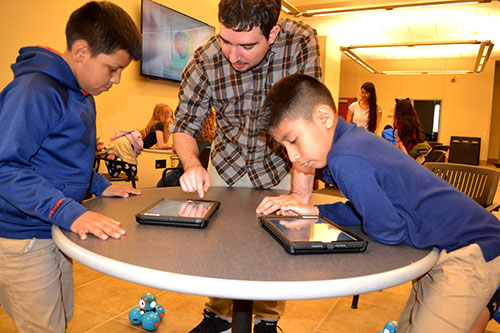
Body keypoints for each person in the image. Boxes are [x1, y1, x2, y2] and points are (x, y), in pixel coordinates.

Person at [263, 73, 500, 332]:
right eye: (284, 146)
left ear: (324, 118)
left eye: (294, 140)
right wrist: (317, 209)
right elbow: (369, 210)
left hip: (469, 250)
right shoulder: (351, 141)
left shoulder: (346, 159)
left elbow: (389, 230)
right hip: (438, 243)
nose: (292, 156)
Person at [171, 0, 322, 331]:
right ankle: (218, 315)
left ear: (274, 33)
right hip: (226, 165)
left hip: (280, 163)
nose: (233, 55)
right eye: (226, 40)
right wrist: (192, 164)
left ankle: (267, 319)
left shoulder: (301, 43)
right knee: (218, 243)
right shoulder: (205, 58)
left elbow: (307, 124)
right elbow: (183, 125)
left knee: (276, 244)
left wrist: (300, 197)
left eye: (247, 46)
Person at [0, 2, 142, 332]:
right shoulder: (35, 91)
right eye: (112, 69)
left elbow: (59, 161)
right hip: (23, 239)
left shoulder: (80, 93)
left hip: (51, 228)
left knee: (61, 318)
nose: (117, 80)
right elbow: (5, 166)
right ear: (80, 51)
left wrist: (100, 185)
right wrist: (71, 211)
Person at [101, 103, 174, 179]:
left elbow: (163, 142)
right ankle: (112, 158)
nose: (170, 119)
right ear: (159, 115)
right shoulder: (159, 124)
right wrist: (173, 145)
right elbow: (161, 145)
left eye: (171, 117)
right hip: (127, 144)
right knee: (132, 173)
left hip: (125, 142)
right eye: (167, 116)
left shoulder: (154, 123)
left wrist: (169, 130)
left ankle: (111, 157)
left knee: (115, 174)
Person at [158, 110, 215, 187]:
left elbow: (175, 149)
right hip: (201, 176)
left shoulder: (189, 135)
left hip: (181, 173)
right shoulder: (212, 139)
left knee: (159, 184)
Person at [393, 98, 431, 163]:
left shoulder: (398, 122)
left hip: (408, 154)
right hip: (418, 154)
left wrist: (408, 159)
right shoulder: (414, 121)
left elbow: (400, 143)